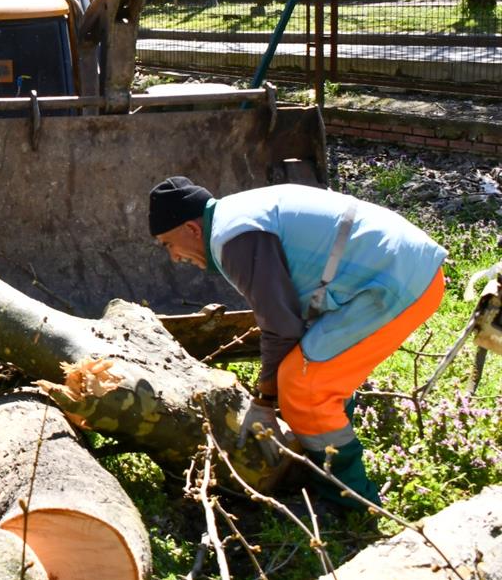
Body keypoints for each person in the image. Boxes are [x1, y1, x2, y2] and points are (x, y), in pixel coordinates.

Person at [148, 177, 446, 509]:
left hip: (397, 281)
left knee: (305, 387)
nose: (174, 257)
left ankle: (350, 501)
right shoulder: (237, 216)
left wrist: (263, 403)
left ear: (191, 228)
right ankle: (319, 455)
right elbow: (291, 320)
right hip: (405, 269)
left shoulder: (233, 237)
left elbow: (280, 325)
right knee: (312, 371)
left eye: (166, 243)